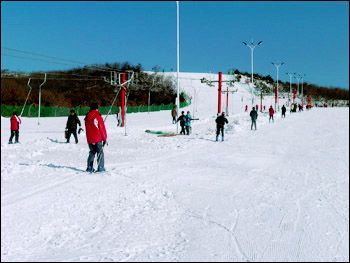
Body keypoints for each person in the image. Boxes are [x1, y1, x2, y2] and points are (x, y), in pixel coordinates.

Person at [84, 103, 108, 172]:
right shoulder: (97, 116)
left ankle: (89, 167)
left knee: (92, 152)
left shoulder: (87, 117)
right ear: (97, 108)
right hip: (98, 138)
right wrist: (105, 138)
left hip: (90, 139)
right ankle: (100, 168)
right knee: (100, 152)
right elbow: (102, 128)